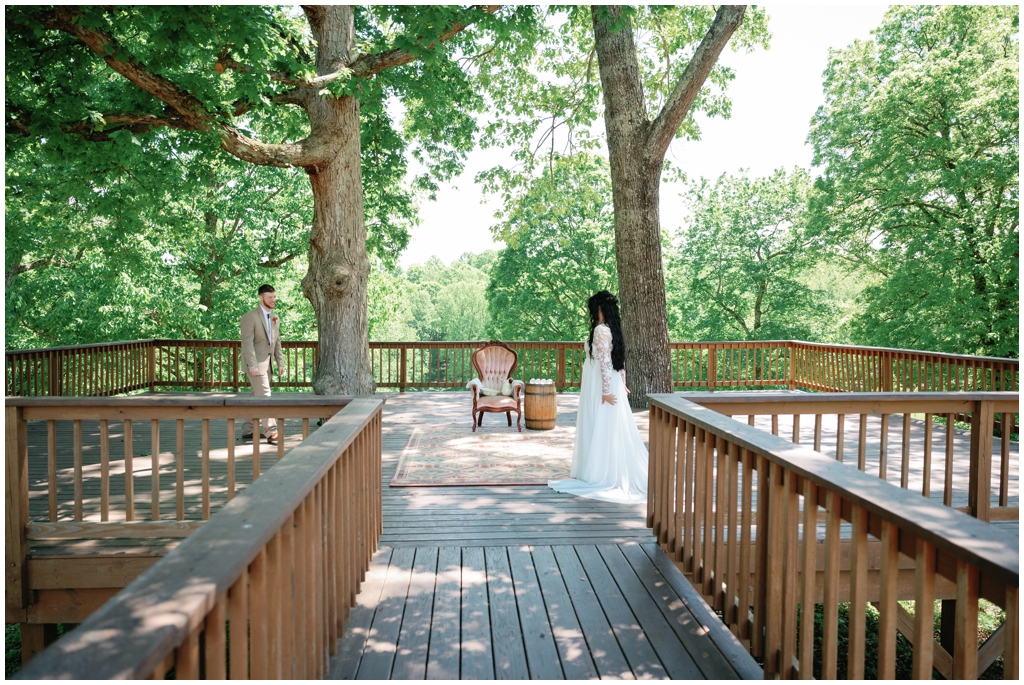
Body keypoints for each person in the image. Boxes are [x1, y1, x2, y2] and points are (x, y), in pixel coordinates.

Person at [549, 291, 649, 503]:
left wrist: (606, 391)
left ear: (601, 309)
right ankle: (603, 468)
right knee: (611, 427)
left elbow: (605, 361)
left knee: (601, 424)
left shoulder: (601, 331)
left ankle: (599, 472)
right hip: (608, 381)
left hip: (601, 383)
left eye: (595, 308)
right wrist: (621, 382)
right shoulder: (612, 329)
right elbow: (618, 360)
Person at [240, 284, 284, 444]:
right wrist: (252, 364)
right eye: (270, 297)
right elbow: (247, 343)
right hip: (256, 364)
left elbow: (276, 341)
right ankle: (271, 432)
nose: (273, 300)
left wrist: (280, 362)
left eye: (274, 297)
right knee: (265, 395)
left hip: (269, 363)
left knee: (255, 396)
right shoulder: (250, 317)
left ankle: (248, 429)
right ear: (261, 297)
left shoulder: (275, 317)